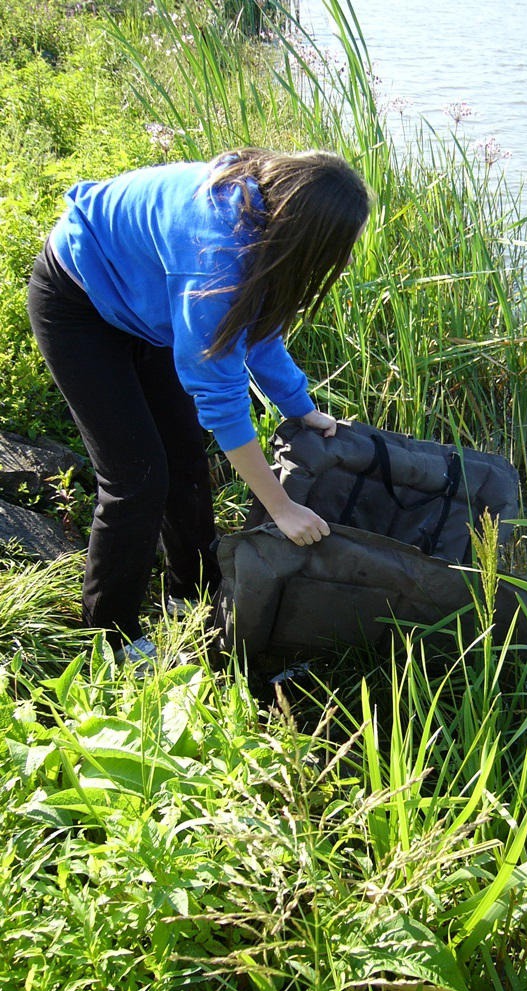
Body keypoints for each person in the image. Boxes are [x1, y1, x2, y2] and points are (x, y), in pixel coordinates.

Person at [27, 147, 371, 668]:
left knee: (185, 458)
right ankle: (110, 637)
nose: (341, 260)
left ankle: (191, 591)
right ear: (305, 233)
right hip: (78, 299)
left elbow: (259, 331)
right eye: (337, 248)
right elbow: (221, 398)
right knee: (136, 477)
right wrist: (280, 508)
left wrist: (301, 409)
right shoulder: (216, 256)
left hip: (148, 304)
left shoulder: (262, 221)